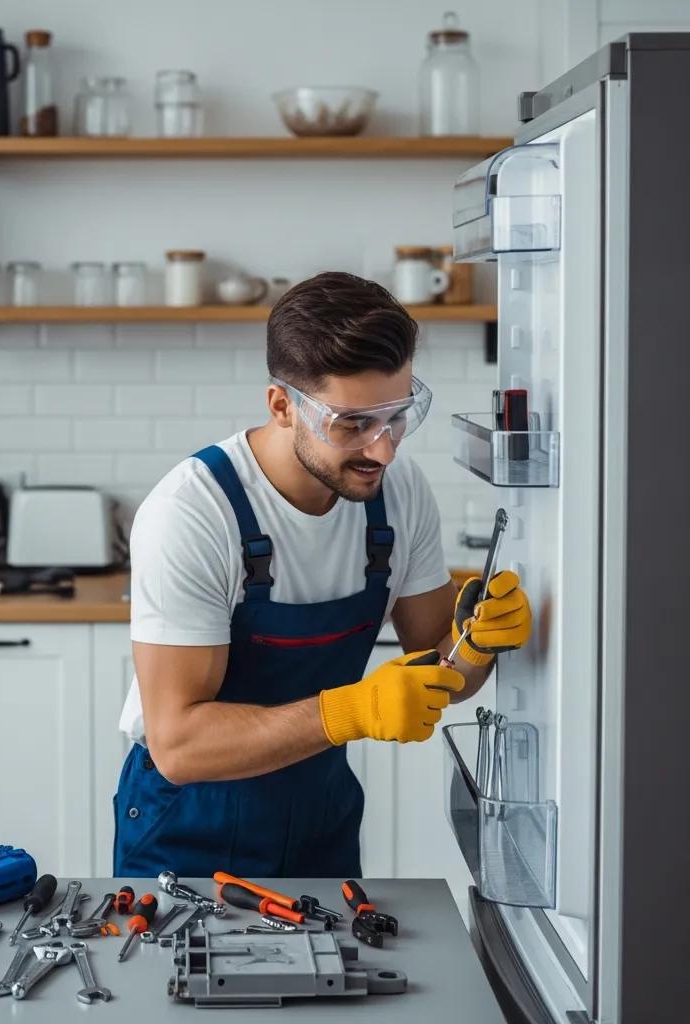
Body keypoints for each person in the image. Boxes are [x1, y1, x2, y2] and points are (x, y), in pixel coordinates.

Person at [113, 271, 532, 879]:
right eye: (352, 423)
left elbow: (445, 673)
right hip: (190, 822)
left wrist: (480, 642)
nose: (383, 449)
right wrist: (351, 712)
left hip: (321, 809)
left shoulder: (399, 493)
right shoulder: (194, 512)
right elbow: (177, 746)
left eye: (398, 415)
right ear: (283, 406)